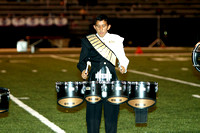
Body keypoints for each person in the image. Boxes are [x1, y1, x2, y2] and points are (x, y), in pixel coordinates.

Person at [77, 14, 129, 133]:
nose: (101, 29)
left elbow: (123, 58)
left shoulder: (116, 39)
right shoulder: (88, 41)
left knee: (111, 118)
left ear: (108, 27)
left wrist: (123, 67)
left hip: (112, 82)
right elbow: (82, 61)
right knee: (92, 119)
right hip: (94, 82)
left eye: (103, 26)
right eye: (98, 26)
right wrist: (83, 70)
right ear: (94, 27)